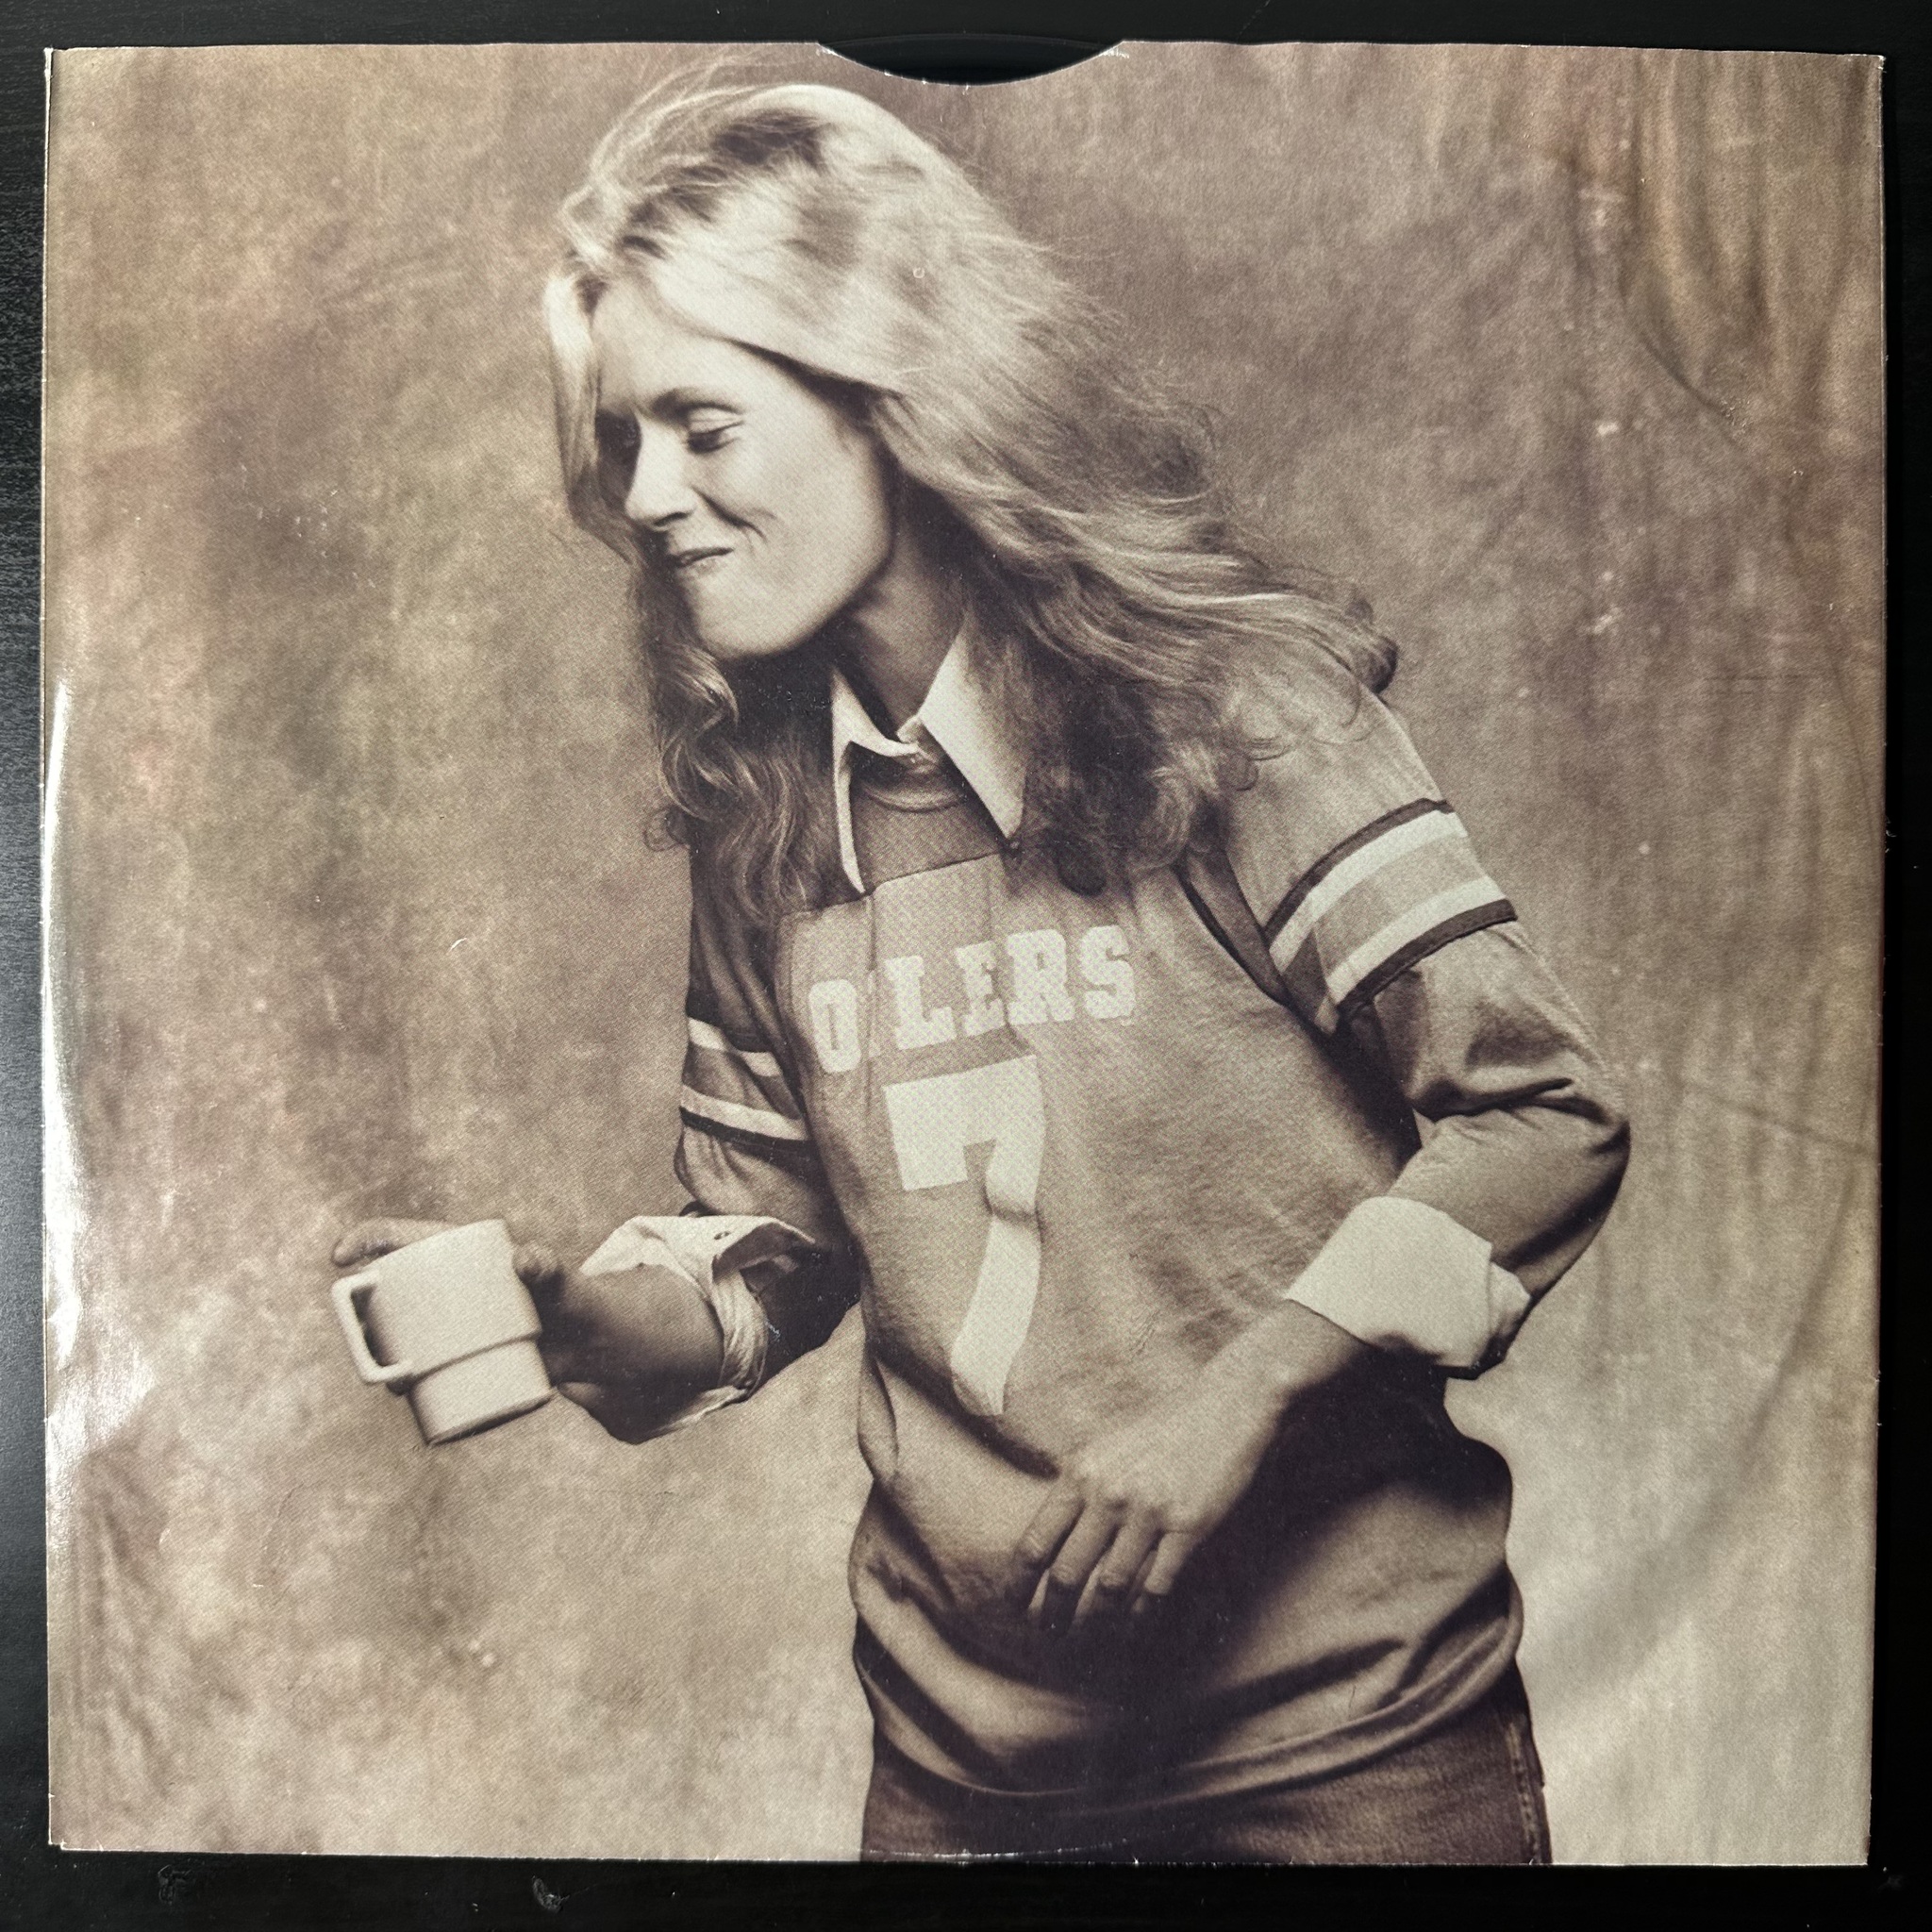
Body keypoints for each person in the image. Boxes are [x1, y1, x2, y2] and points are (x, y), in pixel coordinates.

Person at [335, 80, 1628, 1863]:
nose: (647, 497)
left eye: (701, 427)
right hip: (965, 1782)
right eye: (624, 442)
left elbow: (1542, 1118)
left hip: (1354, 1753)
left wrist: (1240, 1401)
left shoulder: (1237, 724)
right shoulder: (771, 821)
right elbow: (771, 1248)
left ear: (892, 395)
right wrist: (573, 1320)